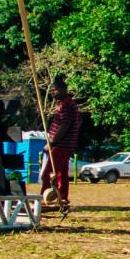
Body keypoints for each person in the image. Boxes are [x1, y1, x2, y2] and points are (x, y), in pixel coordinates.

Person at [41, 76, 80, 207]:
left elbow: (65, 125)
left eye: (55, 90)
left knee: (47, 174)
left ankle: (44, 198)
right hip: (65, 145)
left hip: (61, 145)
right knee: (61, 174)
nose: (52, 93)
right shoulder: (65, 104)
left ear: (63, 89)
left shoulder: (66, 105)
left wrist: (52, 142)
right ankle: (62, 197)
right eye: (51, 91)